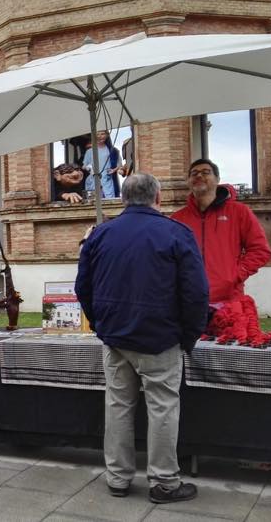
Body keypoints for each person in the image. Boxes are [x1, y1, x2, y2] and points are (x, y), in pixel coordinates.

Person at [75, 173, 209, 504]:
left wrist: (100, 325)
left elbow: (83, 287)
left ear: (123, 199)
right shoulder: (176, 233)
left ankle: (118, 477)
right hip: (159, 337)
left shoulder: (101, 234)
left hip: (117, 337)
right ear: (158, 198)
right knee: (162, 407)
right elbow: (196, 293)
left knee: (118, 405)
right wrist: (188, 336)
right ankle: (164, 482)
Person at [171, 158, 271, 304]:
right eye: (194, 173)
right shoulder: (177, 219)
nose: (199, 176)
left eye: (206, 172)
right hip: (188, 302)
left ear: (217, 179)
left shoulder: (239, 212)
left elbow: (260, 250)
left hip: (229, 301)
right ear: (188, 181)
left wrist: (235, 275)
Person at [82, 130, 122, 198]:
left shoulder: (113, 151)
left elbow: (119, 165)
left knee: (109, 200)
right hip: (93, 180)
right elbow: (84, 166)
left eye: (102, 134)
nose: (100, 136)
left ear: (107, 136)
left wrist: (114, 170)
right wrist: (89, 168)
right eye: (97, 134)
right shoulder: (89, 151)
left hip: (107, 180)